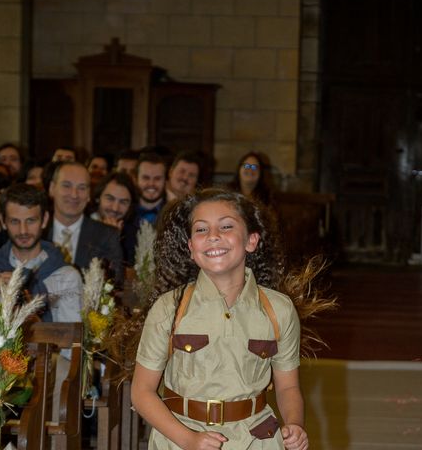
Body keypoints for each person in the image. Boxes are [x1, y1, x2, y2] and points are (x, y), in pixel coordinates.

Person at [130, 189, 313, 450]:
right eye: (201, 230)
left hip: (256, 440)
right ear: (191, 248)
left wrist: (295, 424)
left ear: (251, 240)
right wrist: (188, 440)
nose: (213, 236)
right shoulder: (170, 308)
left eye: (226, 226)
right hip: (182, 438)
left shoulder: (278, 310)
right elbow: (142, 392)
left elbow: (288, 388)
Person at [0, 183, 81, 322]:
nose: (23, 230)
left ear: (44, 220)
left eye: (31, 221)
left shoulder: (66, 275)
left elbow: (71, 338)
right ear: (3, 221)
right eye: (14, 221)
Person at [47, 162, 123, 280]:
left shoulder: (107, 236)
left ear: (89, 194)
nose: (74, 195)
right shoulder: (35, 232)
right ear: (52, 188)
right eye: (67, 185)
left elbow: (115, 283)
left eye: (82, 188)